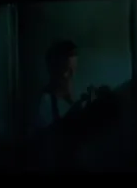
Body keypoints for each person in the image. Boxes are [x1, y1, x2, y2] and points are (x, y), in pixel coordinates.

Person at [29, 40, 98, 170]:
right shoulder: (45, 102)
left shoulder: (81, 94)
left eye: (72, 70)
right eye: (65, 70)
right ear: (52, 69)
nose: (69, 76)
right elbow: (44, 145)